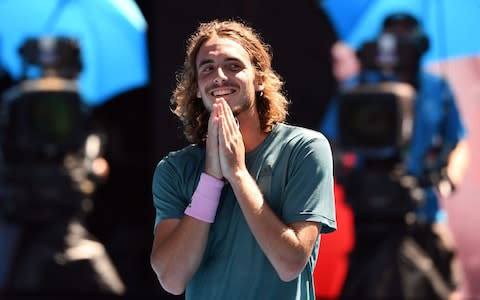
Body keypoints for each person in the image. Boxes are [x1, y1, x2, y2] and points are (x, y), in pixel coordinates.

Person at [150, 19, 336, 300]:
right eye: (207, 68)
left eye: (234, 65)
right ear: (197, 88)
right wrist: (211, 180)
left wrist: (237, 173)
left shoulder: (305, 148)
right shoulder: (175, 169)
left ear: (260, 79)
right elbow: (172, 280)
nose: (220, 76)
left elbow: (290, 263)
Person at [319, 12, 469, 299]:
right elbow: (328, 141)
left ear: (419, 44)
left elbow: (459, 142)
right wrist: (339, 171)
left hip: (422, 210)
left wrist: (449, 175)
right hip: (369, 213)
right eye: (392, 38)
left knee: (439, 285)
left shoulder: (438, 89)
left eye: (405, 38)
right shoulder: (357, 89)